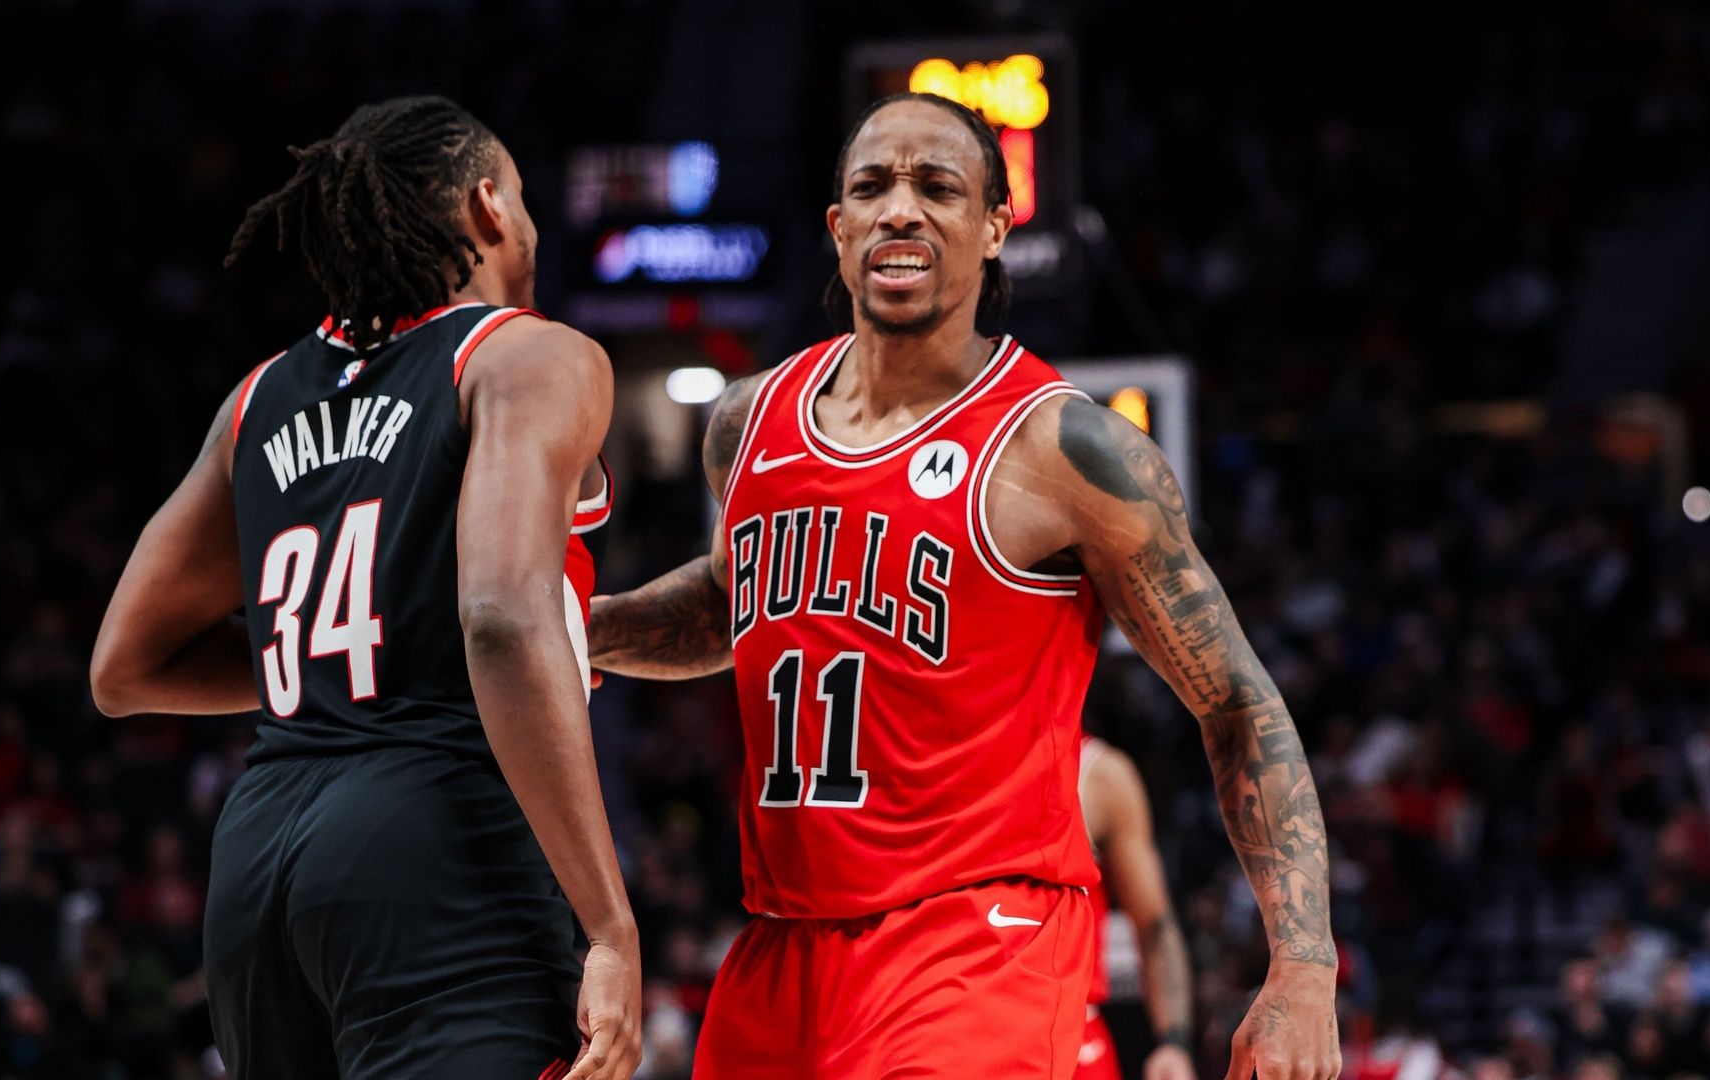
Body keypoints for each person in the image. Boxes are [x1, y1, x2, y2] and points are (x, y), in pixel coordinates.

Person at [588, 91, 1340, 1080]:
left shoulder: (1066, 447)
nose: (900, 209)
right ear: (839, 226)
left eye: (937, 187)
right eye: (873, 187)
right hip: (782, 945)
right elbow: (737, 604)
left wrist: (1304, 968)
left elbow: (1237, 700)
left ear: (993, 228)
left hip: (976, 942)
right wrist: (582, 627)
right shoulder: (747, 420)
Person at [90, 96, 641, 1080]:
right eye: (521, 196)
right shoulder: (525, 354)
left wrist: (360, 654)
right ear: (487, 205)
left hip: (258, 858)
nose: (530, 221)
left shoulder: (257, 397)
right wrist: (608, 926)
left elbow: (124, 667)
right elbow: (501, 620)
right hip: (437, 839)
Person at [1077, 735, 1198, 1080]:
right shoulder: (938, 755)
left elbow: (1155, 924)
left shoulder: (1098, 773)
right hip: (958, 1024)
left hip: (1073, 1037)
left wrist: (1174, 1043)